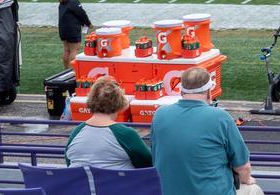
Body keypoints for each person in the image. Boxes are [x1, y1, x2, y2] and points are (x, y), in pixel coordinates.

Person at [151, 67, 254, 195]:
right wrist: (248, 180)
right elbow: (243, 167)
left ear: (182, 91)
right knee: (253, 189)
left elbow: (156, 158)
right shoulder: (220, 117)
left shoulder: (160, 114)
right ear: (208, 91)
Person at [65, 77, 153, 169]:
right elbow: (148, 163)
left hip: (81, 182)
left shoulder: (77, 132)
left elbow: (69, 161)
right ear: (119, 102)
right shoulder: (125, 134)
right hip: (118, 182)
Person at [58, 0, 92, 68]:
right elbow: (82, 14)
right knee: (74, 50)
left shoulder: (62, 1)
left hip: (62, 29)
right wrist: (88, 23)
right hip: (72, 29)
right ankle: (72, 71)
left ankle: (66, 70)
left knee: (66, 50)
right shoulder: (73, 2)